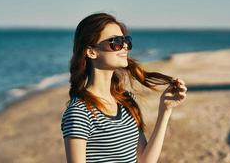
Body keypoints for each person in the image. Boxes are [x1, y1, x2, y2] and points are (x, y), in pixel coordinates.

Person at [60, 12, 188, 163]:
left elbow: (145, 160)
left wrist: (165, 110)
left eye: (126, 40)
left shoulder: (126, 100)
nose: (125, 46)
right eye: (116, 42)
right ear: (91, 51)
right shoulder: (79, 113)